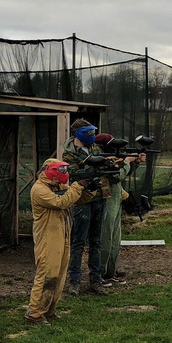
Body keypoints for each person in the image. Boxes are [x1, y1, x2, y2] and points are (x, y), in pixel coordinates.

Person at [26, 158, 93, 325]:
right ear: (49, 170)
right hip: (47, 238)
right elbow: (61, 202)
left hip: (62, 236)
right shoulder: (39, 189)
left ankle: (49, 310)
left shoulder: (58, 186)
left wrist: (90, 189)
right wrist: (78, 185)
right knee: (47, 275)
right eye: (61, 170)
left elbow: (76, 199)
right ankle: (34, 313)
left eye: (65, 170)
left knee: (60, 275)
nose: (64, 173)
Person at [62, 119, 110, 296]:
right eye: (88, 133)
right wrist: (90, 166)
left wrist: (114, 164)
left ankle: (95, 281)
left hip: (100, 196)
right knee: (78, 242)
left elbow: (105, 166)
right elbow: (71, 173)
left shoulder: (95, 148)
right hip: (82, 199)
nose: (92, 136)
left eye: (92, 133)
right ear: (78, 134)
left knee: (96, 242)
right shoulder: (69, 153)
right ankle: (74, 282)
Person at [94, 133, 145, 284]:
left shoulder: (112, 159)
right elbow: (116, 176)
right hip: (106, 199)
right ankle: (101, 273)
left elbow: (121, 172)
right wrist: (128, 161)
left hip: (115, 199)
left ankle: (111, 271)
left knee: (115, 238)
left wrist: (135, 162)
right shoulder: (101, 159)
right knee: (106, 237)